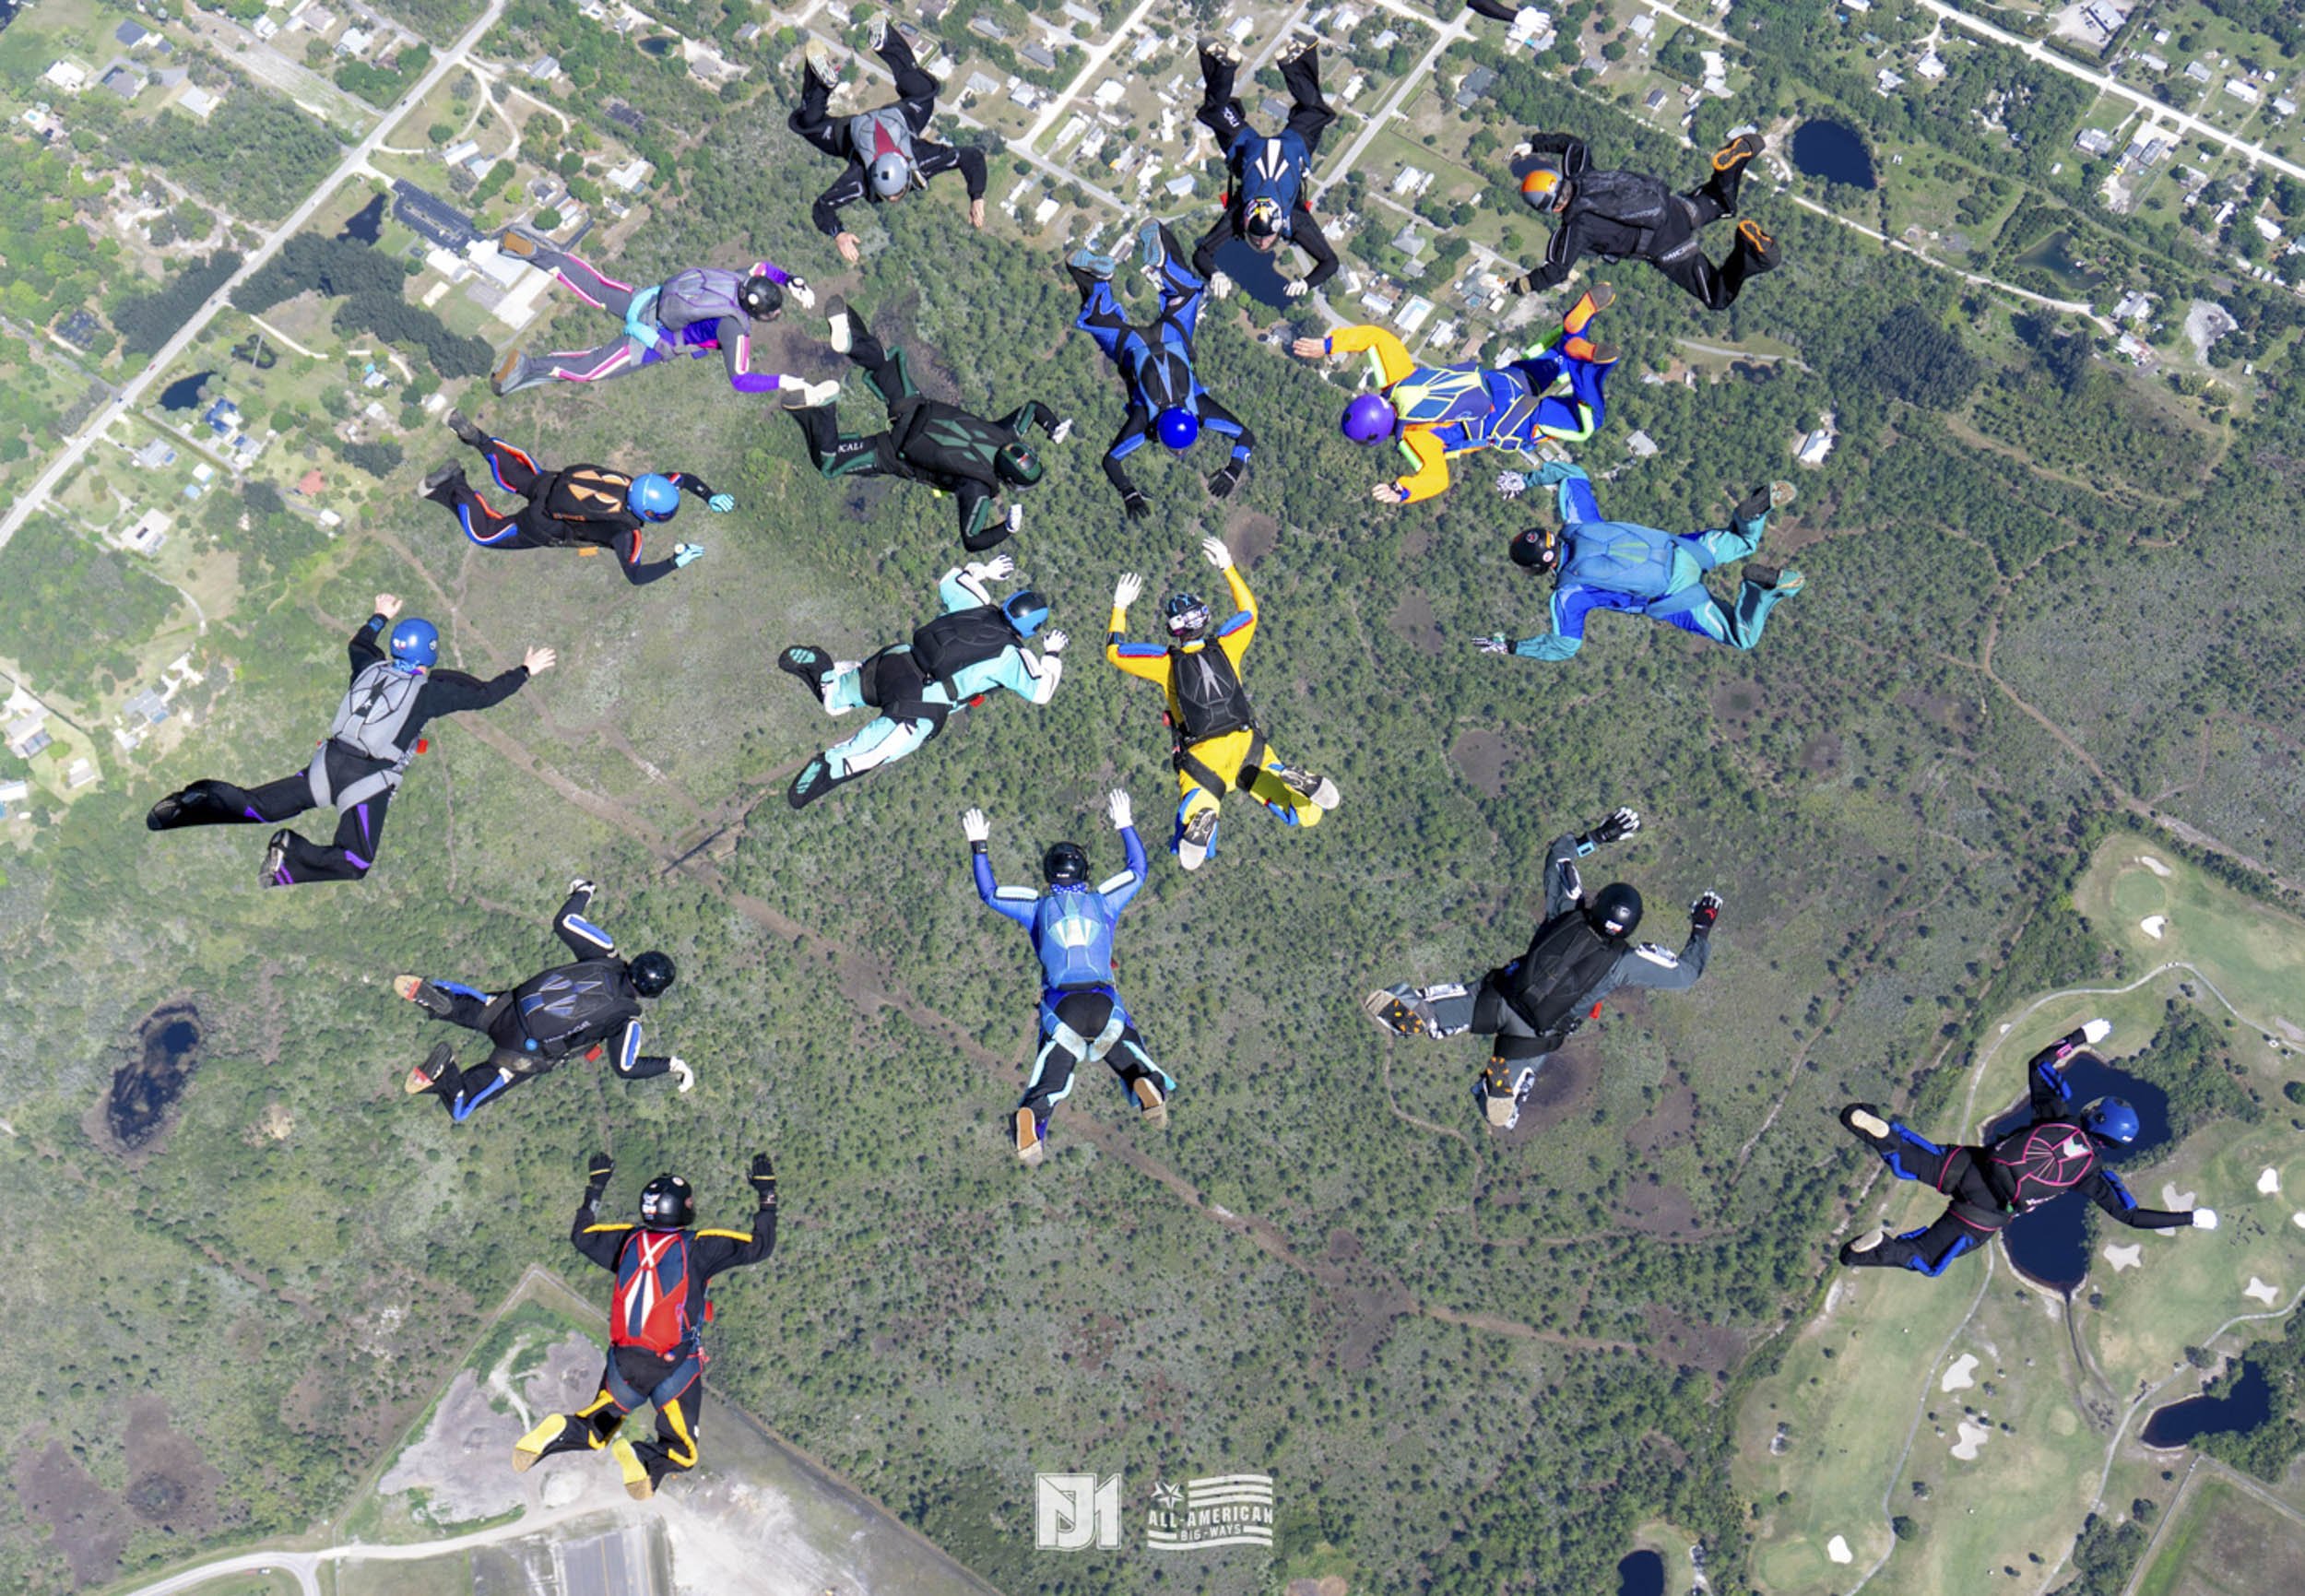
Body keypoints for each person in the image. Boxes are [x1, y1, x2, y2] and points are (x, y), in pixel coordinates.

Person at [145, 596, 551, 886]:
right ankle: (288, 858)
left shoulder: (369, 667)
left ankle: (199, 799)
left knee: (257, 806)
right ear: (430, 654)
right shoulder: (432, 690)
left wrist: (379, 615)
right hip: (366, 778)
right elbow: (486, 695)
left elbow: (358, 644)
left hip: (329, 762)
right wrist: (526, 670)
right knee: (354, 861)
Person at [1364, 810, 1720, 1129]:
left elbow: (1558, 856)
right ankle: (1497, 1089)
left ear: (1598, 903)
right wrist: (1701, 927)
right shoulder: (1625, 963)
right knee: (1502, 1114)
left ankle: (1416, 1012)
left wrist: (1599, 836)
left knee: (1434, 1010)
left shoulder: (1567, 912)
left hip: (1499, 997)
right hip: (1536, 1035)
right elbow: (1686, 974)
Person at [1839, 1021, 2218, 1275]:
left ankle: (1875, 1127)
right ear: (2114, 1143)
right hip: (1985, 1213)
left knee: (1910, 1157)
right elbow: (2133, 1217)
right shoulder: (2091, 1174)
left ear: (2093, 1113)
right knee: (1926, 1256)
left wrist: (2082, 1036)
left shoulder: (2057, 1117)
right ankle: (1865, 1253)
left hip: (1973, 1165)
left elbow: (2038, 1064)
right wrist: (2190, 1218)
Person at [513, 1152, 777, 1499]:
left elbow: (583, 1235)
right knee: (683, 1451)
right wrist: (767, 1196)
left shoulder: (627, 1241)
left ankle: (567, 1429)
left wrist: (596, 1187)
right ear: (683, 1209)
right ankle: (641, 1457)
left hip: (624, 1365)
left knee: (597, 1428)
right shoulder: (698, 1247)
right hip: (672, 1366)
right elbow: (759, 1247)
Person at [964, 791, 1176, 1165]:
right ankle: (1144, 1083)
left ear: (1048, 875)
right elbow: (1137, 871)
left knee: (1045, 1090)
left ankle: (1034, 1126)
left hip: (1062, 1009)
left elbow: (990, 893)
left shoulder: (1036, 907)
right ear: (1085, 873)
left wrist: (979, 846)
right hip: (1104, 1003)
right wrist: (1125, 823)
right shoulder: (1103, 902)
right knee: (1134, 1062)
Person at [1105, 537, 1338, 870]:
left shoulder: (1165, 663)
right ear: (1204, 617)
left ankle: (1204, 816)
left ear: (1173, 630)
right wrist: (1227, 566)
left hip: (1204, 757)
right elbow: (1248, 611)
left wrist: (1120, 606)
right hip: (1249, 748)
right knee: (1306, 816)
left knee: (1196, 809)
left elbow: (1115, 651)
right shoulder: (1227, 645)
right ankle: (1292, 779)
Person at [778, 555, 1066, 808]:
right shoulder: (1013, 657)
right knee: (870, 753)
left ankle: (828, 679)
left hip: (894, 661)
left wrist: (985, 572)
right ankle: (832, 765)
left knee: (835, 700)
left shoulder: (976, 603)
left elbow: (952, 578)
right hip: (920, 704)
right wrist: (1051, 654)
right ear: (1032, 629)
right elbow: (1041, 692)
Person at [392, 880, 692, 1121]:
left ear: (637, 961)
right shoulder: (626, 1019)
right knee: (465, 1103)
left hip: (511, 1007)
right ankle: (446, 1078)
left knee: (476, 1009)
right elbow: (626, 1067)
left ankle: (442, 1000)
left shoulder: (604, 954)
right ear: (653, 994)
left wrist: (583, 892)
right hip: (525, 1051)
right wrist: (673, 1064)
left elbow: (566, 921)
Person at [1291, 285, 1618, 503]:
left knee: (1586, 422)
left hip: (1514, 421)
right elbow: (1378, 338)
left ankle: (1587, 366)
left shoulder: (1415, 438)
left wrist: (1402, 489)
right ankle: (1574, 333)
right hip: (1507, 380)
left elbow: (1436, 479)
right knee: (1558, 357)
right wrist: (1329, 345)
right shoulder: (1397, 380)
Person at [788, 297, 1069, 551]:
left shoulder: (1005, 433)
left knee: (883, 364)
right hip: (896, 452)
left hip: (915, 407)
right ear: (1007, 480)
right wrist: (1006, 529)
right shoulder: (977, 487)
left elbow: (1033, 409)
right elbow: (973, 539)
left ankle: (850, 339)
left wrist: (1053, 426)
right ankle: (823, 407)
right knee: (831, 461)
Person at [1473, 465, 1803, 660]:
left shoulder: (1569, 593)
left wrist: (1513, 647)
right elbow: (1571, 473)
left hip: (1676, 596)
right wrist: (1525, 480)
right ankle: (1752, 515)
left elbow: (1564, 645)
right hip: (1684, 549)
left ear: (1538, 567)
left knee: (1741, 638)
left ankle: (1761, 588)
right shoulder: (1579, 523)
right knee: (1743, 540)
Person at [486, 236, 829, 402]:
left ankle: (535, 252)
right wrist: (784, 381)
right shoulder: (735, 328)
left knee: (596, 286)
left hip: (648, 298)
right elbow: (740, 379)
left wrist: (791, 279)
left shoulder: (741, 279)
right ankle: (526, 368)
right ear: (755, 313)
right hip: (652, 340)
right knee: (591, 369)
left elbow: (763, 268)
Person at [1068, 221, 1254, 517]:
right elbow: (1111, 461)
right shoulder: (1144, 424)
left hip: (1172, 334)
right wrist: (1128, 492)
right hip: (1129, 346)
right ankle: (1097, 279)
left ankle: (1164, 266)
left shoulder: (1198, 409)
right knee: (1095, 314)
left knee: (1189, 292)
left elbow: (1246, 437)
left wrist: (1234, 469)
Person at [420, 413, 729, 585]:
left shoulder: (644, 484)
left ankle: (480, 440)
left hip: (552, 483)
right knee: (486, 533)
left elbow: (683, 479)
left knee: (517, 473)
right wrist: (675, 562)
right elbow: (636, 575)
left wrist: (709, 496)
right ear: (647, 513)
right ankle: (454, 483)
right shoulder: (626, 532)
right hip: (544, 525)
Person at [1508, 129, 1777, 311]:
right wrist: (1534, 144)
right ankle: (1736, 162)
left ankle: (1760, 256)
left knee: (1717, 297)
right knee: (1720, 203)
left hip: (1667, 247)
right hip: (1675, 208)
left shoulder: (1575, 230)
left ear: (1550, 209)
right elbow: (1573, 145)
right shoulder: (1581, 174)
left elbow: (1555, 272)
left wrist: (1519, 286)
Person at [791, 17, 987, 264]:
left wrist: (977, 196)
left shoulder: (913, 165)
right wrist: (838, 234)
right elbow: (822, 206)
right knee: (809, 125)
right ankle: (826, 80)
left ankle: (872, 49)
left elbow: (970, 156)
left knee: (924, 92)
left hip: (880, 124)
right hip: (864, 129)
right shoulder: (864, 179)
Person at [1188, 36, 1338, 299]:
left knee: (1315, 111)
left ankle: (1288, 61)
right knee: (1215, 110)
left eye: (1256, 241)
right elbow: (1202, 254)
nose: (1260, 241)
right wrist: (1213, 272)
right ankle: (1224, 65)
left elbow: (1330, 263)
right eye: (1263, 241)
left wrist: (1215, 274)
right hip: (1253, 147)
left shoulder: (1293, 222)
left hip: (1285, 148)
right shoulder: (1243, 219)